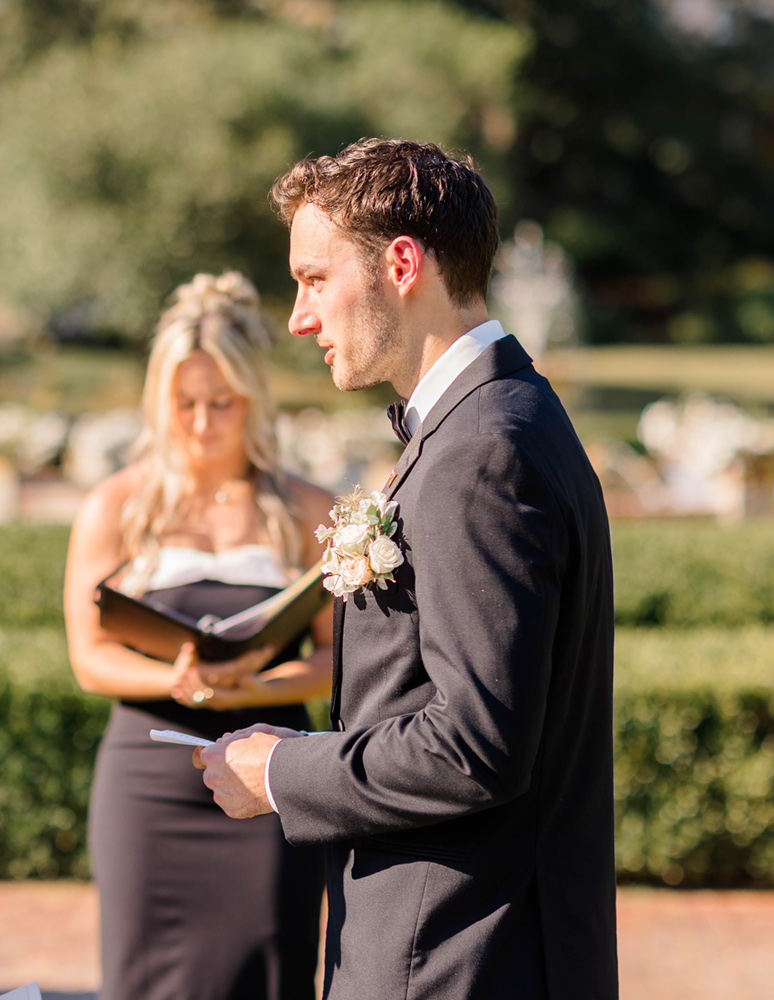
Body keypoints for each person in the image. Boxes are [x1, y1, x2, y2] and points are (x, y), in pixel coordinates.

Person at [196, 140, 618, 999]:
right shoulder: (497, 420)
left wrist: (284, 773)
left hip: (459, 955)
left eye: (315, 279)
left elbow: (476, 747)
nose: (298, 318)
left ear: (401, 263)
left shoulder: (482, 452)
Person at [63, 272, 334, 1000]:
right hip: (147, 789)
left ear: (255, 399)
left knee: (272, 967)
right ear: (159, 401)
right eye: (184, 404)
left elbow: (340, 662)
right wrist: (178, 680)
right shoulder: (114, 507)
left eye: (223, 402)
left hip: (273, 779)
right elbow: (89, 658)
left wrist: (259, 686)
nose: (203, 421)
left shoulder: (307, 508)